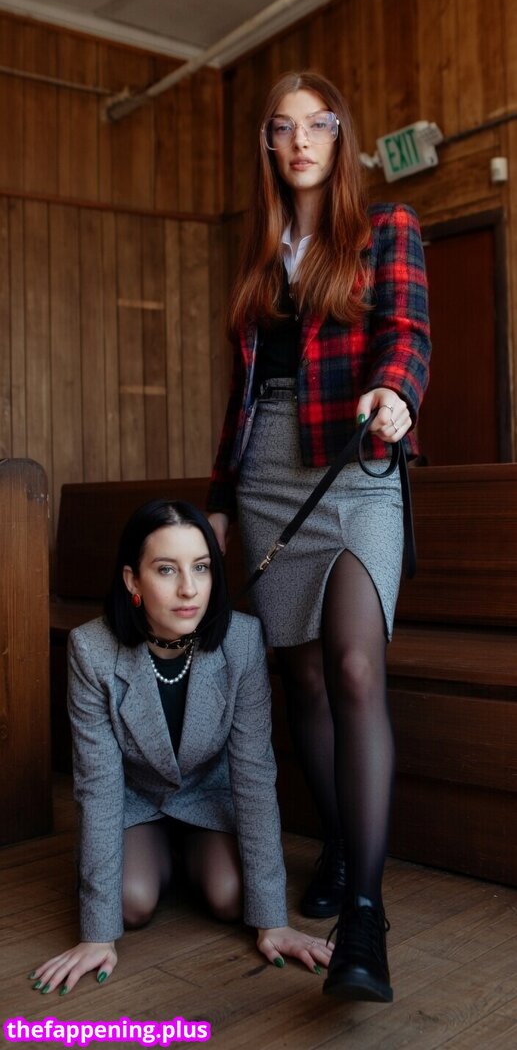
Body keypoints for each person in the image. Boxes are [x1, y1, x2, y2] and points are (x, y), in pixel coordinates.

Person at [207, 71, 431, 1003]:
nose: (300, 141)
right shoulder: (261, 255)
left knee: (351, 667)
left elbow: (406, 332)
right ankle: (337, 840)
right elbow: (243, 392)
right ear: (267, 144)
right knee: (297, 674)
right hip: (267, 468)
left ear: (341, 137)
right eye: (282, 127)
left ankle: (364, 919)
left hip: (355, 458)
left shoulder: (385, 226)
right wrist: (221, 499)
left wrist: (395, 391)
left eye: (318, 124)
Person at [29, 499, 332, 996]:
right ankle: (154, 855)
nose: (189, 589)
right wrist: (96, 936)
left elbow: (255, 776)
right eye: (167, 570)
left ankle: (192, 853)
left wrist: (274, 921)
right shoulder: (91, 650)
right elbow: (97, 787)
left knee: (233, 899)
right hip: (136, 797)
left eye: (202, 568)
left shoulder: (242, 641)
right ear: (132, 580)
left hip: (207, 793)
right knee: (130, 903)